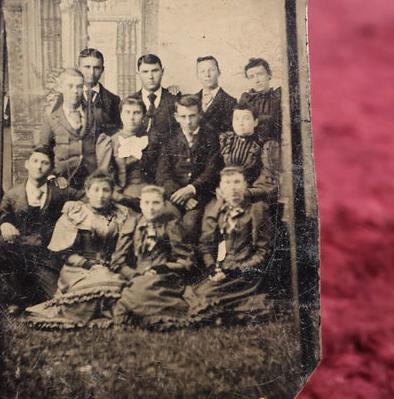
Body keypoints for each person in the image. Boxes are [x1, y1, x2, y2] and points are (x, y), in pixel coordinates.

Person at [25, 171, 129, 328]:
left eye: (105, 190)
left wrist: (113, 263)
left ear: (112, 193)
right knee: (100, 284)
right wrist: (90, 265)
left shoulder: (120, 214)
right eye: (96, 190)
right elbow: (65, 253)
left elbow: (125, 246)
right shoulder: (75, 213)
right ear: (87, 191)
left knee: (121, 286)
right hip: (78, 269)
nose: (101, 195)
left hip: (111, 266)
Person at [186, 167, 273, 321]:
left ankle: (225, 312)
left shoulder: (256, 210)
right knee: (193, 292)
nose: (232, 188)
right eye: (227, 183)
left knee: (205, 296)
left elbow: (262, 252)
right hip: (222, 271)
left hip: (246, 274)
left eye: (237, 182)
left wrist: (238, 270)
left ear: (245, 185)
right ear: (220, 188)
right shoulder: (217, 211)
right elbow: (205, 245)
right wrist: (213, 269)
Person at [0, 146, 71, 315]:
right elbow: (3, 216)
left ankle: (34, 295)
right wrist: (4, 224)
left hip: (45, 256)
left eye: (45, 163)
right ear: (27, 164)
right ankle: (14, 300)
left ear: (51, 169)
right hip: (20, 253)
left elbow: (85, 195)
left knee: (56, 299)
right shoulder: (12, 194)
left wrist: (74, 206)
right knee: (3, 241)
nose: (39, 166)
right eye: (35, 161)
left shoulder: (58, 193)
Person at [111, 185, 191, 327]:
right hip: (138, 275)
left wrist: (163, 267)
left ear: (164, 204)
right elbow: (118, 261)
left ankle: (149, 316)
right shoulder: (132, 224)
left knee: (140, 293)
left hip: (165, 275)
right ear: (140, 204)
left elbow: (185, 261)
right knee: (138, 289)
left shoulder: (171, 225)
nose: (151, 208)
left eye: (156, 203)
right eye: (146, 203)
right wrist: (134, 276)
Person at [156, 95, 221, 241]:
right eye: (183, 116)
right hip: (174, 196)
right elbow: (162, 174)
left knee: (190, 224)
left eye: (192, 116)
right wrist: (179, 195)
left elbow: (211, 172)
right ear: (176, 117)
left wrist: (191, 189)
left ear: (200, 114)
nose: (188, 121)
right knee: (166, 221)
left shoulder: (210, 138)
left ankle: (188, 262)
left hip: (198, 197)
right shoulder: (169, 139)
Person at [38, 68, 99, 192]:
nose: (75, 91)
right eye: (70, 86)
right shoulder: (52, 120)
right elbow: (42, 151)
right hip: (63, 183)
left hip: (92, 183)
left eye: (79, 87)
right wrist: (52, 176)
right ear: (60, 88)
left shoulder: (95, 115)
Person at [95, 96, 156, 209]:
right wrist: (120, 198)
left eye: (136, 113)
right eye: (127, 112)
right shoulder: (109, 141)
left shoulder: (148, 140)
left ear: (143, 116)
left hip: (147, 193)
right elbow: (104, 178)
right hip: (120, 195)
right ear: (121, 115)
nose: (131, 117)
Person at [52, 49, 121, 135]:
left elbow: (117, 133)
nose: (91, 72)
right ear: (78, 68)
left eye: (96, 68)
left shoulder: (113, 100)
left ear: (102, 70)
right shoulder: (66, 97)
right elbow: (54, 127)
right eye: (87, 67)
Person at [129, 53, 177, 144]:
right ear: (138, 74)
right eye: (145, 72)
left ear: (162, 72)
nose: (150, 77)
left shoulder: (174, 99)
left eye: (155, 71)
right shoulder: (130, 101)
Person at [219, 104, 264, 185]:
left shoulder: (262, 145)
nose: (240, 123)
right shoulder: (224, 141)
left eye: (246, 119)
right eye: (236, 119)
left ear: (255, 122)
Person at [239, 58, 282, 142]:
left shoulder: (279, 96)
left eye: (260, 74)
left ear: (269, 74)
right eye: (251, 77)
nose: (257, 80)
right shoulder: (246, 99)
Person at [195, 55, 237, 133]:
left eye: (211, 70)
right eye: (202, 71)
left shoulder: (230, 102)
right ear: (197, 76)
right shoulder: (192, 99)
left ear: (219, 72)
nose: (207, 75)